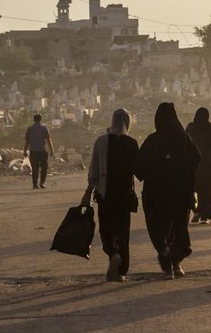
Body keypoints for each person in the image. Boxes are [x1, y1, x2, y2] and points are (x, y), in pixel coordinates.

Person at [135, 103, 200, 279]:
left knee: (159, 229)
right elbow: (197, 159)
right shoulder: (184, 139)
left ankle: (166, 257)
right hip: (180, 194)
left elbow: (138, 169)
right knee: (179, 228)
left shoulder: (152, 141)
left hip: (157, 195)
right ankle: (177, 264)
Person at [82, 108, 139, 282]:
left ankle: (112, 253)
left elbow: (94, 172)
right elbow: (139, 171)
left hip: (105, 194)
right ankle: (121, 272)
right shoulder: (132, 143)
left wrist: (88, 192)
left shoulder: (101, 141)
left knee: (106, 229)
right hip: (124, 195)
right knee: (123, 232)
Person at [186, 107, 211, 224]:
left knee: (195, 188)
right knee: (207, 189)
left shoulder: (190, 127)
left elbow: (185, 143)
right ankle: (205, 215)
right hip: (208, 164)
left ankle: (196, 210)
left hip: (194, 164)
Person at [23, 113, 55, 190]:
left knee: (35, 169)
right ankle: (42, 183)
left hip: (33, 152)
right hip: (43, 151)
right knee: (44, 168)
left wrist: (24, 151)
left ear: (34, 120)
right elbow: (48, 140)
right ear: (40, 120)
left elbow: (27, 141)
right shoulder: (44, 128)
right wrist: (52, 151)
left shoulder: (30, 129)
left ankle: (35, 184)